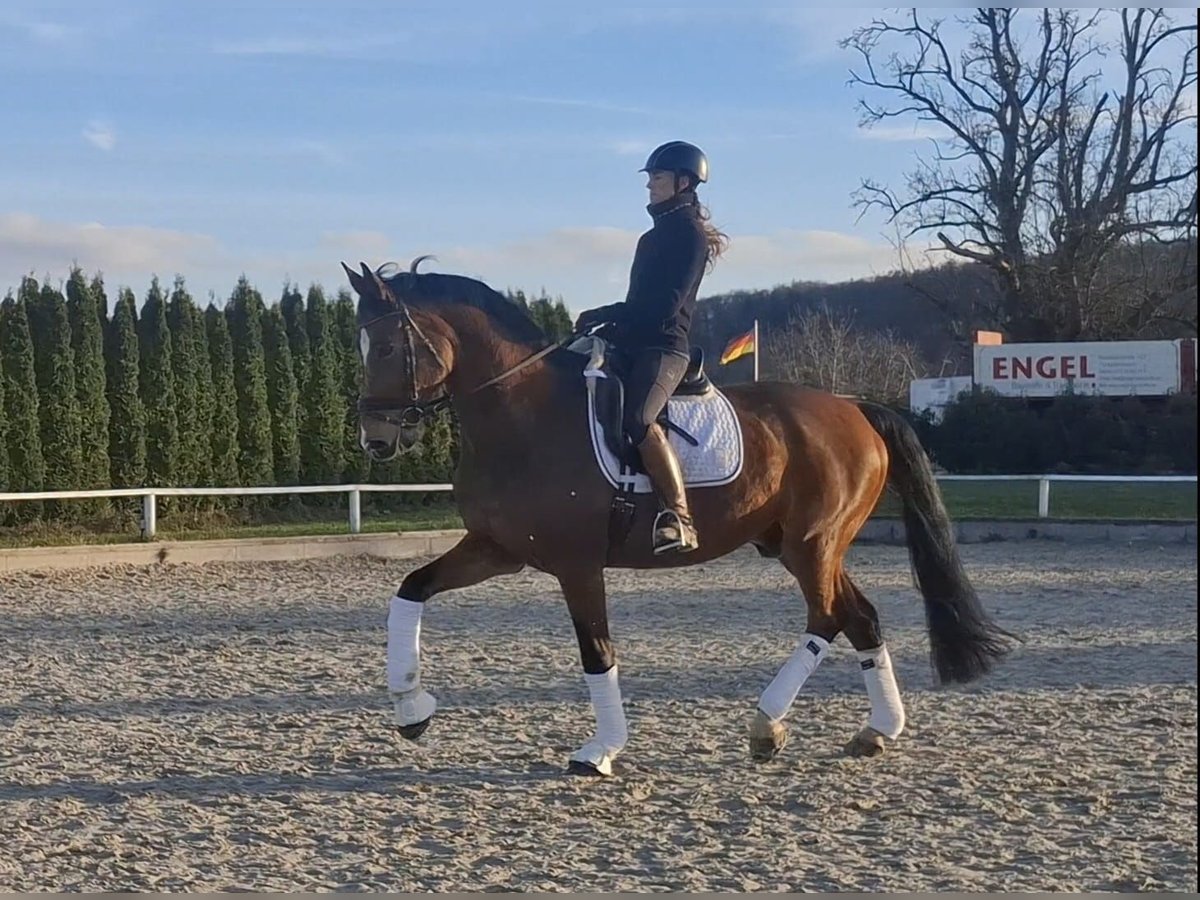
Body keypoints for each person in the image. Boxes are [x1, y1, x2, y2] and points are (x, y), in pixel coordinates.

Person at [574, 140, 728, 555]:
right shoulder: (650, 238)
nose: (650, 187)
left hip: (664, 347)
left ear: (682, 182)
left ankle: (680, 517)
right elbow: (637, 302)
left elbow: (663, 306)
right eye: (651, 179)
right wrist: (603, 322)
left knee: (639, 419)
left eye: (656, 179)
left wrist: (610, 318)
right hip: (634, 341)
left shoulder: (690, 238)